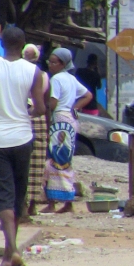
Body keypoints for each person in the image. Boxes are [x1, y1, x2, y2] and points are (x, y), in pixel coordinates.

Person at [0, 26, 46, 266]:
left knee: (2, 193)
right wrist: (29, 111)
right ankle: (9, 253)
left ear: (1, 42)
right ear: (24, 45)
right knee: (17, 192)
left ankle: (12, 250)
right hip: (22, 137)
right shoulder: (33, 71)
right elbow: (40, 108)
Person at [42, 48, 92, 214]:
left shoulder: (56, 79)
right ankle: (67, 200)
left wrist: (44, 111)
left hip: (60, 120)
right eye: (49, 61)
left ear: (62, 64)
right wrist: (75, 107)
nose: (50, 65)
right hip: (70, 120)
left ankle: (53, 202)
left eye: (54, 62)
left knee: (54, 159)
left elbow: (53, 103)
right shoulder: (71, 78)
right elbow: (88, 95)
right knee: (65, 159)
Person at [22, 44, 49, 218]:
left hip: (28, 116)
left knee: (34, 163)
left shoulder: (28, 73)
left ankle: (29, 204)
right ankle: (28, 205)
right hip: (34, 117)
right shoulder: (42, 75)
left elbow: (45, 103)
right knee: (33, 162)